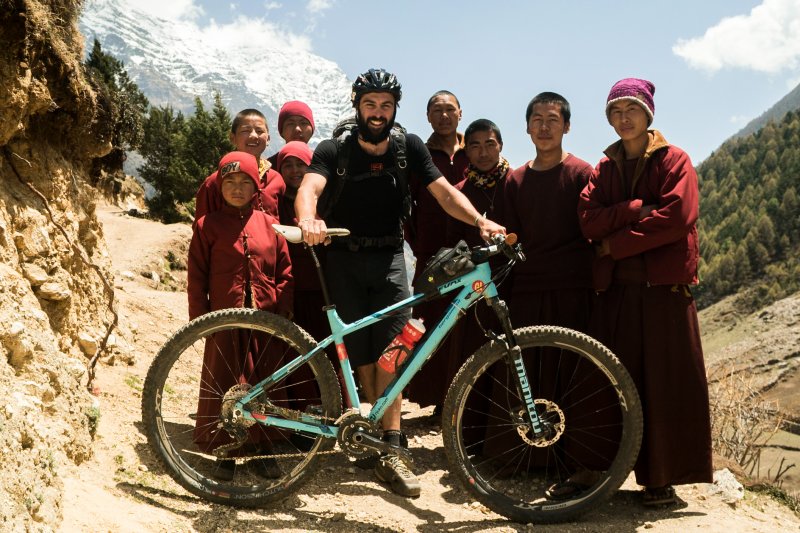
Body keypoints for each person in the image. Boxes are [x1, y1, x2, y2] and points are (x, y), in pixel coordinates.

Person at [295, 68, 505, 498]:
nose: (377, 113)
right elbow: (310, 187)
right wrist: (307, 218)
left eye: (385, 105)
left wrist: (480, 220)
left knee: (396, 352)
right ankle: (368, 434)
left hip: (391, 258)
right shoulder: (335, 149)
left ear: (394, 109)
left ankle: (391, 444)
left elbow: (444, 193)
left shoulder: (408, 148)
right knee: (361, 355)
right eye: (370, 104)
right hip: (344, 259)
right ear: (358, 107)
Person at [578, 78, 713, 506]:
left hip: (663, 293)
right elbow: (587, 220)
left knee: (664, 384)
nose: (623, 118)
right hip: (616, 291)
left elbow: (677, 217)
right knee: (611, 382)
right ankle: (601, 473)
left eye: (631, 109)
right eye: (615, 111)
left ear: (648, 114)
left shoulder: (675, 160)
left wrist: (616, 244)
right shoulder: (604, 169)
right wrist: (637, 209)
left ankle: (660, 481)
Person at [187, 151, 293, 480]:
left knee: (265, 383)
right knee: (225, 383)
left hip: (265, 322)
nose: (236, 188)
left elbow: (287, 273)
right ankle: (226, 451)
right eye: (229, 182)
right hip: (224, 321)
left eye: (244, 182)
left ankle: (264, 449)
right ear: (219, 187)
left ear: (256, 188)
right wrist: (202, 321)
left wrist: (279, 310)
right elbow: (196, 277)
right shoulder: (207, 226)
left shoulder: (272, 227)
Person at [504, 92, 594, 331]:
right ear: (527, 127)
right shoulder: (515, 180)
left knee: (573, 362)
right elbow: (512, 238)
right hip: (527, 287)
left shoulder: (582, 173)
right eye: (537, 120)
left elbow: (593, 230)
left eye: (553, 120)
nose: (544, 127)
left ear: (567, 126)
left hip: (573, 285)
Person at [405, 90, 470, 413]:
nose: (444, 116)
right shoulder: (420, 155)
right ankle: (436, 400)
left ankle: (466, 401)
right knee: (431, 326)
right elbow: (407, 208)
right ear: (428, 116)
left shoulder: (474, 148)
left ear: (461, 113)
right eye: (437, 111)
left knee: (467, 324)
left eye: (450, 110)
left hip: (471, 255)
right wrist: (420, 247)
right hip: (431, 253)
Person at [194, 109, 285, 222]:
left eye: (259, 131)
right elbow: (201, 230)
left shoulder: (275, 180)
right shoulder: (214, 182)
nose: (253, 136)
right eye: (245, 130)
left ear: (268, 139)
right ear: (232, 138)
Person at [267, 100, 315, 168]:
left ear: (312, 129)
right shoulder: (268, 168)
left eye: (303, 123)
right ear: (282, 131)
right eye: (291, 124)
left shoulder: (323, 163)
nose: (297, 129)